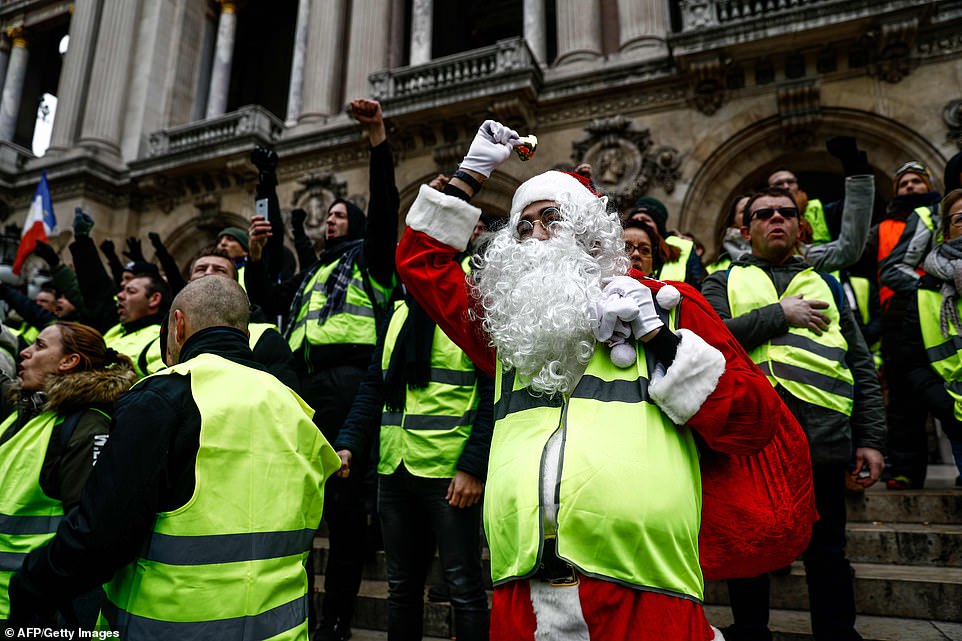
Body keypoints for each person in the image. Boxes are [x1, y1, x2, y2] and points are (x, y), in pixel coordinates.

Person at [396, 120, 804, 640]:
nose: (535, 234)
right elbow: (421, 263)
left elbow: (751, 423)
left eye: (551, 218)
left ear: (589, 233)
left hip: (646, 586)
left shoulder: (666, 307)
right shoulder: (508, 329)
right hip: (522, 588)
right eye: (523, 226)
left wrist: (663, 343)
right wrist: (472, 171)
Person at [8, 277, 340, 638]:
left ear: (178, 326)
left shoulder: (163, 397)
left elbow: (100, 535)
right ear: (245, 337)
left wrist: (30, 585)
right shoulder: (297, 410)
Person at [702, 187, 886, 641]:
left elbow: (859, 362)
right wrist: (780, 314)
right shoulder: (719, 281)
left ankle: (838, 633)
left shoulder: (829, 283)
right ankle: (750, 632)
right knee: (753, 546)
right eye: (764, 214)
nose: (777, 219)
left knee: (827, 551)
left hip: (823, 436)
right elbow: (709, 343)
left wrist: (871, 439)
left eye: (787, 213)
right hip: (753, 440)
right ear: (746, 230)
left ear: (801, 226)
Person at [245, 98, 399, 641]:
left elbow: (384, 211)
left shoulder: (370, 261)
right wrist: (267, 183)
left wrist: (377, 140)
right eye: (327, 215)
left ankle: (336, 616)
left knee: (346, 508)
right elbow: (262, 294)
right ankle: (300, 610)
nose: (330, 218)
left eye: (339, 214)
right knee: (301, 504)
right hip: (302, 387)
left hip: (351, 383)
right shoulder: (313, 273)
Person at [334, 288, 494, 641]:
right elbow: (373, 386)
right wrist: (347, 444)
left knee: (464, 588)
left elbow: (492, 392)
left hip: (450, 475)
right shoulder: (399, 312)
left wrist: (473, 467)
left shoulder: (469, 313)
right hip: (395, 470)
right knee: (401, 590)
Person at [0, 322, 136, 625]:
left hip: (32, 611)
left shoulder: (87, 427)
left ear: (68, 362)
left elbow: (89, 537)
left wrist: (32, 592)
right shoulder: (26, 413)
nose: (25, 353)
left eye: (39, 346)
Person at [877, 160, 942, 489]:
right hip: (898, 315)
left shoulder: (941, 217)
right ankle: (904, 468)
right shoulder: (883, 226)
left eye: (917, 182)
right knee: (903, 398)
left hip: (939, 313)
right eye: (903, 184)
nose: (910, 188)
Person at [903, 188, 962, 486]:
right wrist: (945, 407)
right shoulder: (926, 290)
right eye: (960, 219)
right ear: (946, 233)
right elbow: (913, 359)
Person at [101, 272, 169, 378]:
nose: (119, 295)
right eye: (122, 290)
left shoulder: (160, 337)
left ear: (154, 299)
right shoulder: (115, 329)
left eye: (131, 291)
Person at [627, 196, 703, 287]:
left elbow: (697, 284)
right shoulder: (617, 246)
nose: (640, 224)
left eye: (646, 220)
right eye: (635, 221)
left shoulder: (684, 247)